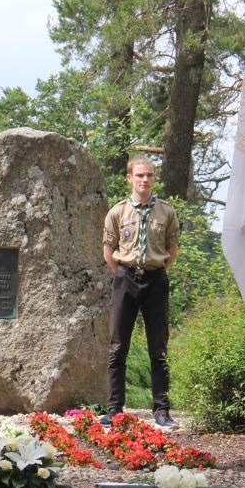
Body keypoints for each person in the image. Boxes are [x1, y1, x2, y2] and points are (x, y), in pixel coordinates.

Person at [101, 155, 181, 429]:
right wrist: (124, 274)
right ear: (129, 178)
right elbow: (108, 251)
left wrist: (153, 269)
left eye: (149, 175)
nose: (144, 180)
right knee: (117, 346)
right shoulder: (118, 212)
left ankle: (161, 411)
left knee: (158, 347)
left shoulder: (166, 212)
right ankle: (114, 409)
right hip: (125, 280)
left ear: (153, 178)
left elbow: (172, 251)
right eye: (139, 175)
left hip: (155, 281)